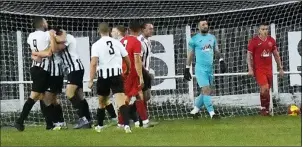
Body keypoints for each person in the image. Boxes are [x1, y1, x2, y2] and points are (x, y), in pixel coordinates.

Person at [88, 22, 132, 133]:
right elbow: (126, 57)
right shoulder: (117, 43)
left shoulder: (96, 45)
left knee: (102, 102)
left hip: (103, 76)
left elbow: (93, 63)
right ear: (109, 31)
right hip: (116, 75)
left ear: (99, 32)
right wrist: (128, 69)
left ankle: (100, 126)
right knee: (121, 101)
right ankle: (126, 126)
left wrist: (91, 80)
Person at [15, 17, 55, 131]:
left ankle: (49, 124)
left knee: (43, 96)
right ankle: (19, 121)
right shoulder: (47, 34)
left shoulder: (31, 36)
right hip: (42, 69)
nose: (47, 23)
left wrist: (35, 54)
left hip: (35, 67)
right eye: (46, 21)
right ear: (42, 24)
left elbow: (33, 52)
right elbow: (49, 53)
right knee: (35, 95)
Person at [184, 19, 226, 119]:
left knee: (205, 92)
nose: (205, 26)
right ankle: (212, 113)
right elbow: (190, 55)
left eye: (206, 24)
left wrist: (221, 60)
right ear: (198, 27)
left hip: (210, 69)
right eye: (203, 24)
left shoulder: (212, 38)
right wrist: (187, 68)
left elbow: (216, 50)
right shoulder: (194, 39)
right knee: (206, 90)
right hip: (200, 69)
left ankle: (194, 111)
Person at [247, 22, 284, 116]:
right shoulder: (254, 41)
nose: (265, 31)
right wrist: (250, 69)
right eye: (263, 29)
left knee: (266, 90)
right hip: (259, 69)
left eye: (266, 29)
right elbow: (248, 56)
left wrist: (280, 68)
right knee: (265, 88)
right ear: (259, 30)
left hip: (269, 69)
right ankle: (264, 109)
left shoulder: (271, 40)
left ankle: (265, 109)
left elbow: (276, 54)